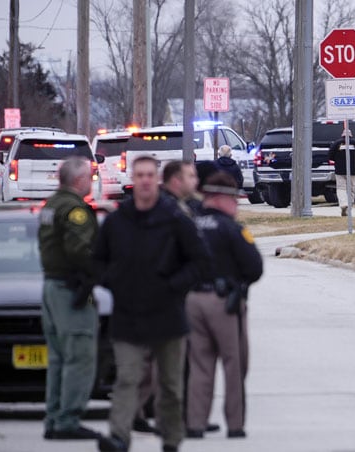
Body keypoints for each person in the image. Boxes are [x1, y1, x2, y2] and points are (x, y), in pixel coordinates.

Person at [94, 156, 209, 452]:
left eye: (150, 175)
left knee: (170, 386)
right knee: (127, 379)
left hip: (167, 314)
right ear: (133, 177)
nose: (145, 180)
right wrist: (114, 281)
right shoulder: (118, 220)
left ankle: (171, 439)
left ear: (156, 179)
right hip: (128, 315)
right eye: (140, 174)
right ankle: (119, 436)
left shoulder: (174, 219)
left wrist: (173, 285)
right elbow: (97, 260)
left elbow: (200, 262)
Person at [186, 171, 263, 440]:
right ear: (221, 198)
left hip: (192, 301)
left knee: (200, 365)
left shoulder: (190, 225)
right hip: (225, 303)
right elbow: (254, 267)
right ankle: (235, 424)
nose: (237, 205)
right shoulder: (232, 228)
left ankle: (195, 423)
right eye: (235, 200)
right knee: (235, 364)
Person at [38, 156, 101, 441]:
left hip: (52, 287)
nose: (91, 180)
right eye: (89, 176)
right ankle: (68, 419)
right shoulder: (74, 209)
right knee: (79, 355)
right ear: (78, 180)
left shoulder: (51, 205)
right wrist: (97, 271)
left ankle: (54, 416)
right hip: (70, 290)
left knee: (58, 358)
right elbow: (80, 249)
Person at [327, 134, 355, 216]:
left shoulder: (336, 144)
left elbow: (330, 156)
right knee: (351, 189)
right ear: (351, 135)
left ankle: (343, 204)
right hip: (353, 170)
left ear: (342, 135)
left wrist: (337, 159)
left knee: (341, 188)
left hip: (340, 170)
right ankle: (349, 206)